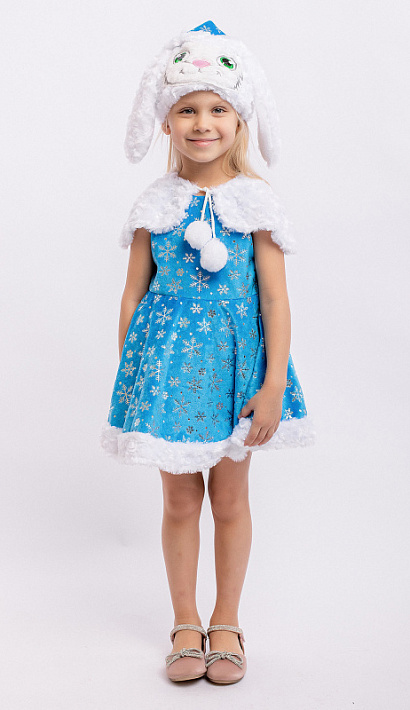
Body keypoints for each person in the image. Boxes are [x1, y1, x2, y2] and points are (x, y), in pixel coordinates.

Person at [100, 20, 315, 684]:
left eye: (217, 109)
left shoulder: (256, 204)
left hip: (235, 377)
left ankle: (227, 620)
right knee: (178, 502)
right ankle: (185, 621)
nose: (203, 123)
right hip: (168, 379)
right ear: (166, 122)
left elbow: (274, 299)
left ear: (239, 119)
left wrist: (272, 384)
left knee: (228, 498)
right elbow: (133, 296)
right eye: (188, 109)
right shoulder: (154, 205)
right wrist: (136, 379)